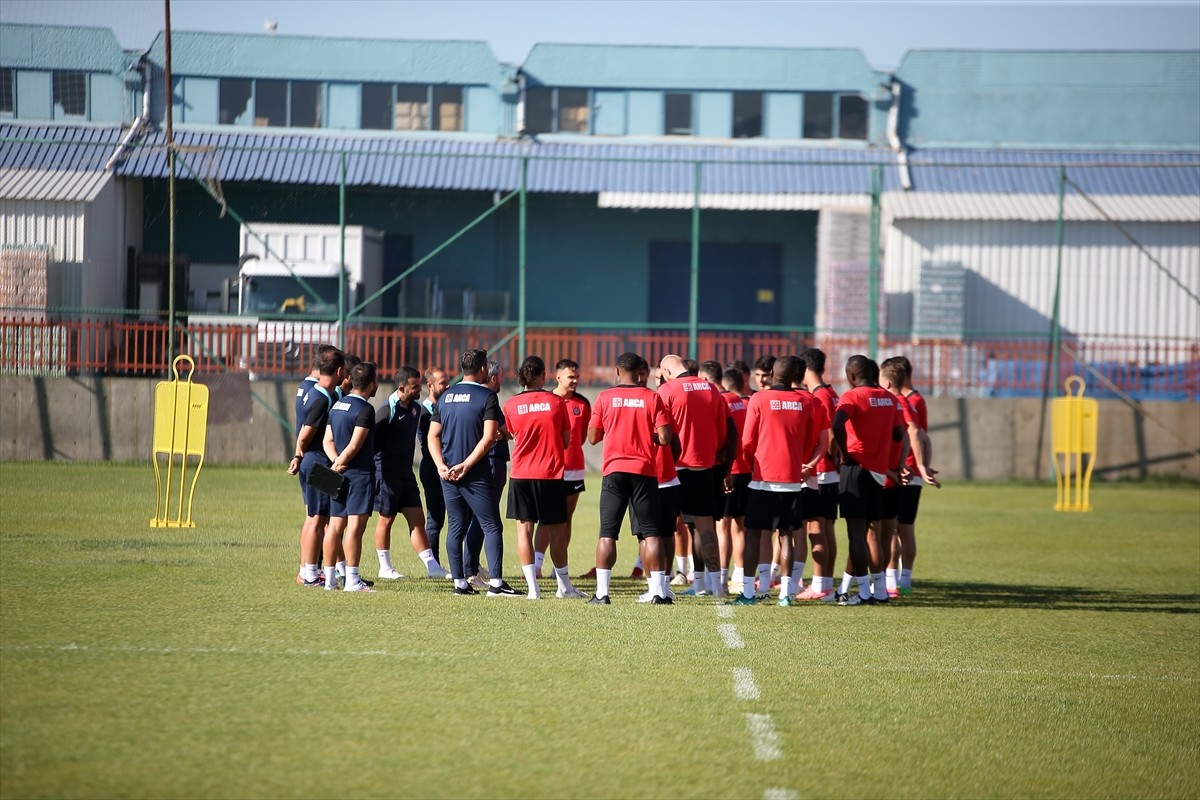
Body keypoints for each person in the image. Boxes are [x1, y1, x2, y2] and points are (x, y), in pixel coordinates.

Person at [428, 349, 518, 597]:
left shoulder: (445, 397)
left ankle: (460, 583)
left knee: (455, 526)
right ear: (482, 370)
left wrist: (440, 465)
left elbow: (432, 435)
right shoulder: (487, 396)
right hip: (474, 473)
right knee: (491, 526)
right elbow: (490, 437)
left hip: (447, 474)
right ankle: (496, 585)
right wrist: (467, 465)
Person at [586, 352, 674, 605]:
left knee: (607, 533)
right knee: (651, 533)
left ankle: (602, 594)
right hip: (644, 471)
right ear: (641, 373)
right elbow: (666, 438)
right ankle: (658, 592)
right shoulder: (652, 398)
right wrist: (647, 437)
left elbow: (592, 437)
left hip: (614, 470)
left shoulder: (604, 397)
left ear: (616, 371)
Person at [736, 355, 823, 606]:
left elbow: (747, 441)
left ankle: (750, 593)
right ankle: (786, 594)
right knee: (787, 536)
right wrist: (798, 459)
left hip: (763, 477)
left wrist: (754, 460)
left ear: (773, 373)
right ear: (797, 375)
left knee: (753, 534)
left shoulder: (759, 398)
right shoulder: (808, 402)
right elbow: (810, 440)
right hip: (792, 479)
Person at [503, 356, 583, 599]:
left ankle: (532, 590)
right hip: (549, 474)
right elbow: (567, 440)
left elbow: (509, 433)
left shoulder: (510, 405)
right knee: (557, 531)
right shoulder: (557, 403)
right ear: (542, 376)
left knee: (523, 531)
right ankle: (564, 587)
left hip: (520, 475)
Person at [658, 354, 733, 598]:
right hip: (704, 466)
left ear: (667, 372)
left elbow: (661, 432)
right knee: (706, 527)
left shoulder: (667, 390)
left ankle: (662, 587)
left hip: (675, 467)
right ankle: (715, 585)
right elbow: (723, 433)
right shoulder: (712, 389)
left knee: (665, 528)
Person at [832, 355, 904, 606]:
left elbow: (837, 423)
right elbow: (898, 433)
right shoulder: (891, 398)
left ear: (851, 376)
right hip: (878, 473)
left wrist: (845, 452)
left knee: (856, 535)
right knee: (873, 532)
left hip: (855, 468)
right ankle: (880, 591)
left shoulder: (851, 396)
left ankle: (863, 593)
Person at [372, 366, 450, 580]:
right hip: (387, 473)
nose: (418, 390)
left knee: (417, 518)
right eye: (414, 387)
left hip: (406, 473)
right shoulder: (386, 410)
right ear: (401, 388)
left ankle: (432, 567)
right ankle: (384, 567)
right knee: (386, 520)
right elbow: (373, 444)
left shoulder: (415, 409)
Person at [879, 358, 939, 596]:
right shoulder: (910, 401)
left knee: (895, 528)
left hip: (903, 473)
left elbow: (916, 433)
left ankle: (895, 580)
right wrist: (924, 466)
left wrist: (919, 465)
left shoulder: (903, 402)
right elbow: (924, 435)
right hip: (908, 472)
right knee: (901, 528)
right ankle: (900, 579)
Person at [287, 345, 344, 587]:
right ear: (340, 370)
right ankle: (308, 573)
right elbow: (304, 435)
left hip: (318, 462)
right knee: (315, 518)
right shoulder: (321, 398)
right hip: (316, 463)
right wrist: (299, 454)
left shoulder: (319, 391)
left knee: (319, 517)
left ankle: (310, 571)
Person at [323, 361, 380, 592]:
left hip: (338, 473)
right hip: (358, 474)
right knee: (355, 527)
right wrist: (343, 461)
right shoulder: (365, 409)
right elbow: (356, 445)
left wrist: (335, 462)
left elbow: (327, 440)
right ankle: (353, 580)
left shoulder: (337, 406)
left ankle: (329, 580)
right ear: (372, 383)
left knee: (335, 526)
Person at [533, 358, 590, 580]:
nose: (575, 380)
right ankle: (537, 565)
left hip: (574, 468)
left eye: (577, 376)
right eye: (570, 377)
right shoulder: (546, 400)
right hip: (550, 468)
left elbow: (582, 436)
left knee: (566, 518)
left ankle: (558, 569)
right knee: (547, 518)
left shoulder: (583, 403)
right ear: (558, 377)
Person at [795, 347, 841, 601]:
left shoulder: (819, 396)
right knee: (826, 529)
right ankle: (824, 583)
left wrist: (820, 460)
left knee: (815, 528)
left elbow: (831, 435)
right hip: (828, 471)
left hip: (821, 472)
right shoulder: (831, 392)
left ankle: (821, 585)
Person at [462, 359, 509, 588]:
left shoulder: (476, 399)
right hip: (490, 461)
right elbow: (502, 431)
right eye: (500, 377)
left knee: (478, 518)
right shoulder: (488, 399)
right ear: (492, 377)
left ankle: (471, 565)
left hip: (485, 461)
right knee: (484, 519)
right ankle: (469, 569)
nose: (502, 381)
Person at [718, 366, 752, 594]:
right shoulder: (744, 403)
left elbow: (722, 437)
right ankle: (740, 575)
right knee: (741, 527)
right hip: (746, 469)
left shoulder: (722, 402)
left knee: (722, 527)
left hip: (728, 469)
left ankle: (721, 577)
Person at [417, 366, 451, 567]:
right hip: (432, 468)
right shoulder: (424, 412)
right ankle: (434, 565)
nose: (447, 386)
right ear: (429, 386)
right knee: (436, 518)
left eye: (448, 381)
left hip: (449, 467)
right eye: (442, 383)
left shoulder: (447, 405)